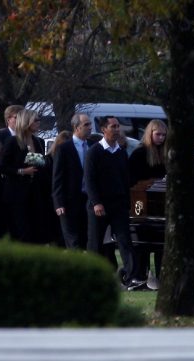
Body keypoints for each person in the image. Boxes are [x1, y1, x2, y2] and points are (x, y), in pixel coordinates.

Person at [84, 115, 142, 290]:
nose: (118, 129)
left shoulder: (121, 152)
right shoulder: (94, 152)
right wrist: (96, 202)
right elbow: (90, 180)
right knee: (95, 242)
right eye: (114, 126)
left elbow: (125, 179)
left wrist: (127, 202)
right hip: (99, 205)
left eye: (118, 126)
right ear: (104, 129)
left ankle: (132, 277)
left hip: (118, 205)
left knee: (125, 241)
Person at [128, 119, 168, 288]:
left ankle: (162, 276)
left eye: (164, 135)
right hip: (142, 205)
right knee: (142, 244)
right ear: (150, 134)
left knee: (162, 244)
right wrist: (150, 182)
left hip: (161, 205)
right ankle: (140, 275)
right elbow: (131, 179)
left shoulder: (166, 153)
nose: (161, 138)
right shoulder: (139, 153)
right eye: (158, 134)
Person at [0, 108, 45, 242]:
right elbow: (2, 167)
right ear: (27, 122)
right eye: (36, 120)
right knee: (21, 230)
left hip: (34, 191)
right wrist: (21, 171)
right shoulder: (12, 141)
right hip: (16, 193)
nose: (39, 123)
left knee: (35, 229)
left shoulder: (38, 141)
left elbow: (39, 163)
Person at [53, 113, 93, 250]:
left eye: (90, 124)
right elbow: (57, 177)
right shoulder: (64, 149)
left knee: (86, 239)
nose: (90, 127)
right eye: (86, 125)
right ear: (76, 127)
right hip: (70, 201)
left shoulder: (93, 146)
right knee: (73, 241)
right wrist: (58, 202)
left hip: (88, 200)